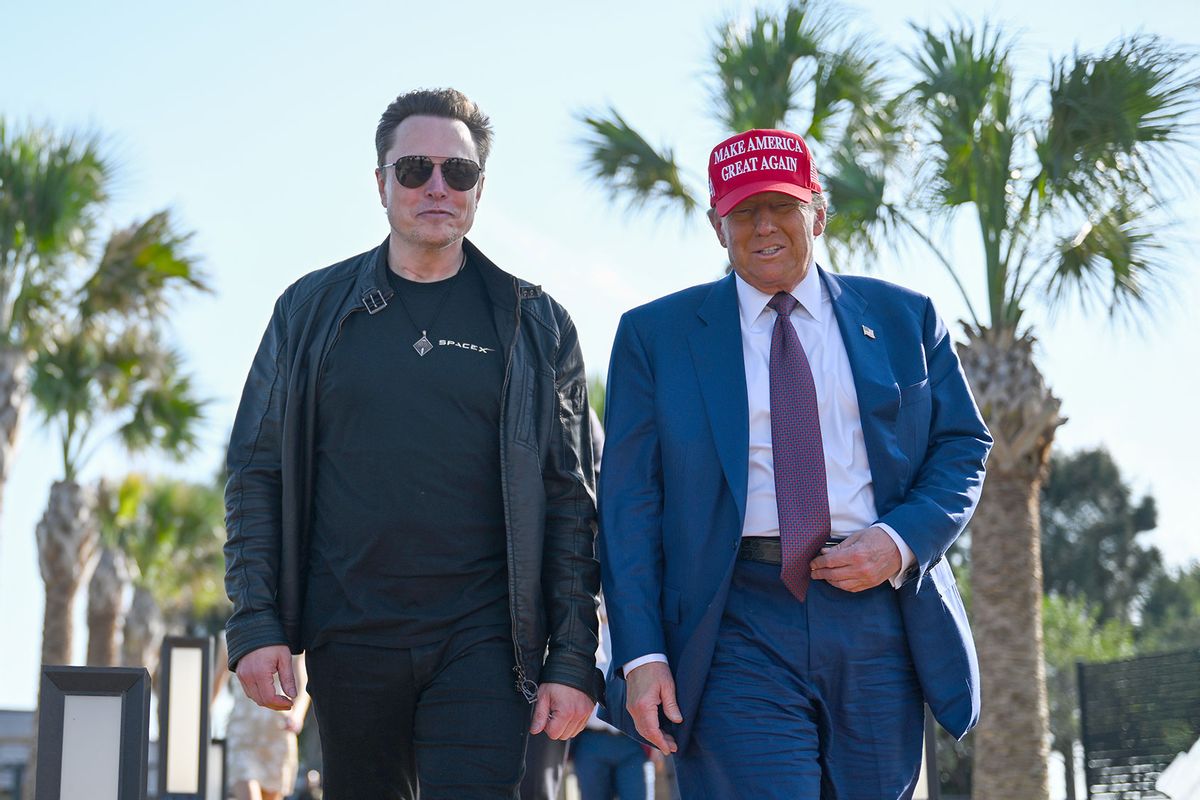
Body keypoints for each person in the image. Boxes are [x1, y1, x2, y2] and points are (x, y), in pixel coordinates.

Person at [223, 87, 602, 800]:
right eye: (414, 169)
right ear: (380, 183)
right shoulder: (308, 311)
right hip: (349, 636)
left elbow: (570, 500)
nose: (436, 187)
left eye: (457, 173)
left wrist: (574, 657)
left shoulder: (536, 323)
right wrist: (255, 622)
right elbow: (256, 471)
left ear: (479, 190)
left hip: (487, 645)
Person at [597, 127, 992, 799]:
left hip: (878, 615)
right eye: (743, 211)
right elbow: (629, 507)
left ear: (818, 209)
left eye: (781, 205)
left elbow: (961, 447)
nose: (764, 226)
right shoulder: (654, 337)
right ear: (716, 226)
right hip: (732, 625)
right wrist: (643, 653)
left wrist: (897, 543)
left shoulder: (905, 318)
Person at [225, 653, 310, 800]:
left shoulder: (290, 638)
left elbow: (303, 685)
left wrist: (297, 716)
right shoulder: (227, 640)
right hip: (242, 736)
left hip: (278, 734)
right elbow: (213, 686)